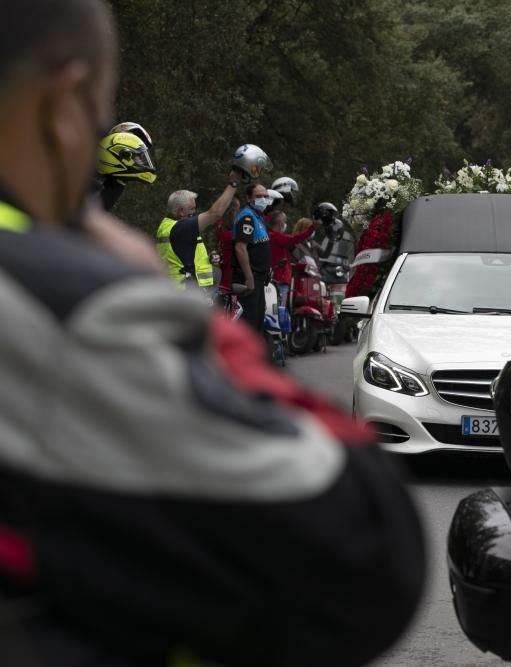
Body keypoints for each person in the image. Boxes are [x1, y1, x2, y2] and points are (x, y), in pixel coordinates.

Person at [0, 2, 425, 665]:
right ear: (64, 102)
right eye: (96, 112)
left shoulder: (257, 222)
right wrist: (179, 321)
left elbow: (278, 236)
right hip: (198, 312)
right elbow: (369, 545)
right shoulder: (60, 302)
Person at [155, 174, 241, 293]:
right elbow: (215, 213)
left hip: (178, 288)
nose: (194, 213)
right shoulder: (180, 227)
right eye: (191, 209)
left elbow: (182, 254)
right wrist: (234, 183)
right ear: (180, 211)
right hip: (186, 291)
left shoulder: (167, 225)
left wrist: (208, 257)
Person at [232, 182, 273, 334]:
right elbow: (240, 248)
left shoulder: (258, 217)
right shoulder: (247, 218)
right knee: (249, 324)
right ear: (248, 197)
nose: (263, 199)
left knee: (257, 322)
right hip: (249, 279)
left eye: (265, 196)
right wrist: (249, 277)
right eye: (258, 196)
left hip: (260, 279)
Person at [93, 128, 156, 210]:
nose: (140, 162)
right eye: (137, 157)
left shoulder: (113, 183)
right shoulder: (91, 186)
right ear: (124, 156)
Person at [268, 209, 316, 308]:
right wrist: (313, 226)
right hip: (279, 279)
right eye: (284, 222)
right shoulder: (276, 237)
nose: (285, 224)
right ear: (280, 223)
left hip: (275, 278)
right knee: (280, 310)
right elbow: (295, 239)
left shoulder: (269, 235)